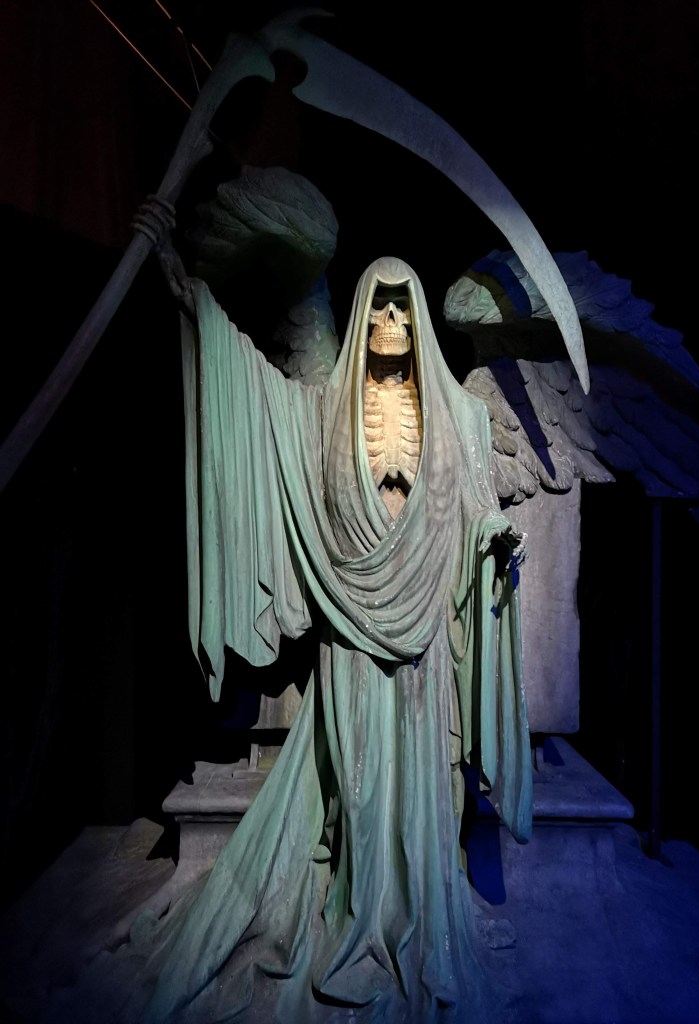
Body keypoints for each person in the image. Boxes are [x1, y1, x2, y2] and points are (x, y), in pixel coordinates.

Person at [138, 254, 532, 1023]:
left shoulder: (458, 417)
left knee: (420, 775)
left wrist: (493, 533)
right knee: (356, 778)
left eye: (402, 308)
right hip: (350, 621)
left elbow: (476, 502)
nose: (390, 321)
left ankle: (416, 901)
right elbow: (256, 398)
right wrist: (194, 300)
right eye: (378, 306)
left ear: (419, 321)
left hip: (421, 623)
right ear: (360, 314)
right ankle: (358, 901)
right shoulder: (324, 411)